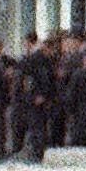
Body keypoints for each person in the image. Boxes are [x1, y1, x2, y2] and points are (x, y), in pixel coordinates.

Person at [15, 31, 62, 162]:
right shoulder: (37, 60)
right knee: (37, 128)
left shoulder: (42, 60)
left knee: (38, 127)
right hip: (35, 100)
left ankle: (35, 153)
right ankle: (35, 154)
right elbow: (31, 80)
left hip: (38, 100)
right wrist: (36, 96)